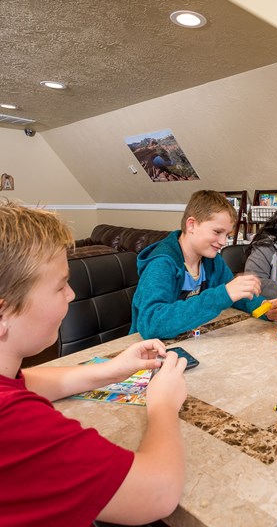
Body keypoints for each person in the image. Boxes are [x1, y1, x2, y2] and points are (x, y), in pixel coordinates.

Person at [0, 202, 189, 527]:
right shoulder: (14, 420)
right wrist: (163, 404)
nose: (72, 294)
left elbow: (24, 381)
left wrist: (111, 369)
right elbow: (159, 492)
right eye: (60, 285)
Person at [130, 190, 277, 340]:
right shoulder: (161, 264)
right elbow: (151, 323)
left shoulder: (213, 260)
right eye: (217, 232)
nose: (223, 242)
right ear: (191, 225)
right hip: (149, 351)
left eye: (227, 235)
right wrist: (222, 294)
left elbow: (236, 296)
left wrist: (263, 307)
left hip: (190, 342)